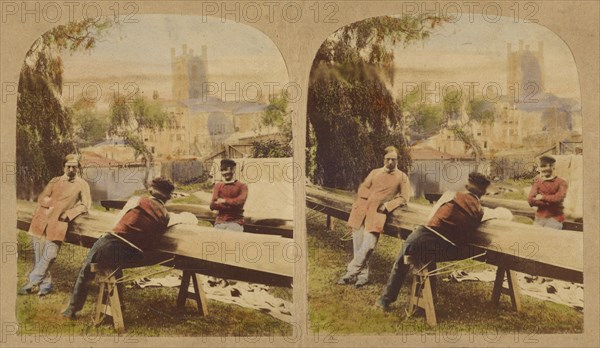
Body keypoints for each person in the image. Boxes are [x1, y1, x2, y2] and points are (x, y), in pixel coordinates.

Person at [61, 177, 175, 320]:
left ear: (151, 190)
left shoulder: (138, 200)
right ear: (168, 197)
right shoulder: (165, 215)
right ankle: (118, 304)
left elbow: (118, 220)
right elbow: (152, 240)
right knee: (115, 266)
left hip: (111, 244)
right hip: (132, 254)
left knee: (86, 272)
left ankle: (71, 309)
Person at [376, 172, 491, 310]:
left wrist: (421, 228)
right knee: (427, 258)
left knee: (401, 262)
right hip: (446, 248)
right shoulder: (479, 210)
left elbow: (433, 215)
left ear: (468, 185)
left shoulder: (452, 194)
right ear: (482, 192)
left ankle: (385, 300)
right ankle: (428, 300)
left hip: (425, 237)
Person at [337, 146, 411, 288]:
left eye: (393, 159)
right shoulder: (374, 172)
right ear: (383, 159)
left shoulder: (402, 177)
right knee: (358, 245)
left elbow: (404, 198)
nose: (390, 162)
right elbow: (363, 187)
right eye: (387, 159)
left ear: (397, 160)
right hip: (361, 210)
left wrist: (388, 205)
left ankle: (350, 272)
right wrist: (367, 196)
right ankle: (362, 276)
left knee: (369, 245)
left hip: (377, 213)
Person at [20, 154, 91, 296]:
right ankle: (46, 286)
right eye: (68, 166)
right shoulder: (55, 181)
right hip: (41, 221)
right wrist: (49, 204)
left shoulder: (82, 184)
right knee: (40, 256)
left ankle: (32, 282)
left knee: (50, 255)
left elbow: (85, 205)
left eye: (74, 167)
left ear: (78, 168)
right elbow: (42, 197)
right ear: (63, 167)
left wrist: (69, 214)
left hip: (59, 223)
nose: (71, 169)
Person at [527, 155, 568, 229]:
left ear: (553, 167)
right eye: (542, 167)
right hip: (539, 219)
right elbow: (530, 200)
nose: (544, 169)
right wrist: (549, 202)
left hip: (555, 219)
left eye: (546, 166)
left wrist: (542, 197)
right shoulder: (538, 181)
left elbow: (558, 198)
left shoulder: (561, 182)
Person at [209, 159, 248, 232]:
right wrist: (232, 203)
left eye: (226, 170)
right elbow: (212, 205)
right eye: (222, 170)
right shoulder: (218, 186)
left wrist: (223, 201)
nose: (224, 173)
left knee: (231, 240)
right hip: (220, 222)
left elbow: (239, 202)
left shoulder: (242, 186)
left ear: (233, 170)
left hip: (235, 222)